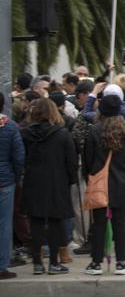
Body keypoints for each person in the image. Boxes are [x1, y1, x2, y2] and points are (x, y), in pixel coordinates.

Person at [20, 99, 77, 275]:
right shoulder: (62, 134)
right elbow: (71, 162)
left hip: (33, 181)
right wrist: (70, 180)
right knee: (55, 222)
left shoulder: (25, 134)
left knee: (35, 222)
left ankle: (37, 262)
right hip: (56, 181)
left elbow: (21, 158)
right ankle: (54, 262)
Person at [82, 95, 125, 275]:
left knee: (99, 224)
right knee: (120, 224)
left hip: (100, 183)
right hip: (122, 182)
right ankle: (121, 262)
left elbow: (87, 159)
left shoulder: (95, 130)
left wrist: (89, 176)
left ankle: (96, 262)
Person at [0, 94, 25, 279]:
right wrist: (17, 177)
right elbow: (18, 157)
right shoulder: (10, 127)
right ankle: (2, 265)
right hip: (5, 182)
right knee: (4, 225)